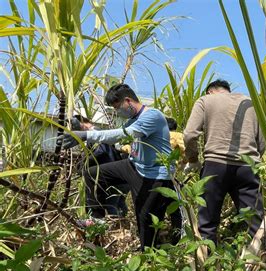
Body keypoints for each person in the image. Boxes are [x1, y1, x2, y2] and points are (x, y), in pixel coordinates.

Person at [63, 84, 182, 250]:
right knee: (92, 174)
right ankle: (97, 218)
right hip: (134, 166)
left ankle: (149, 255)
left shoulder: (152, 116)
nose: (117, 111)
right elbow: (116, 139)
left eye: (117, 107)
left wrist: (87, 134)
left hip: (154, 175)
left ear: (128, 101)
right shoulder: (133, 120)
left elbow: (125, 134)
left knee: (145, 221)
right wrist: (87, 130)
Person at [183, 79, 266, 244]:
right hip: (248, 165)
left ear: (210, 91)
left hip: (215, 165)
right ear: (227, 90)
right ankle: (259, 265)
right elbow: (262, 143)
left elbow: (190, 134)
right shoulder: (250, 103)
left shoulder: (206, 100)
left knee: (207, 223)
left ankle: (208, 265)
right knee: (255, 223)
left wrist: (193, 160)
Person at [70, 115, 129, 217]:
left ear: (82, 122)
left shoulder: (94, 133)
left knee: (111, 206)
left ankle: (117, 229)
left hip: (111, 179)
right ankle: (124, 227)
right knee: (119, 204)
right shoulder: (103, 133)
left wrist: (83, 164)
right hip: (120, 177)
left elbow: (100, 152)